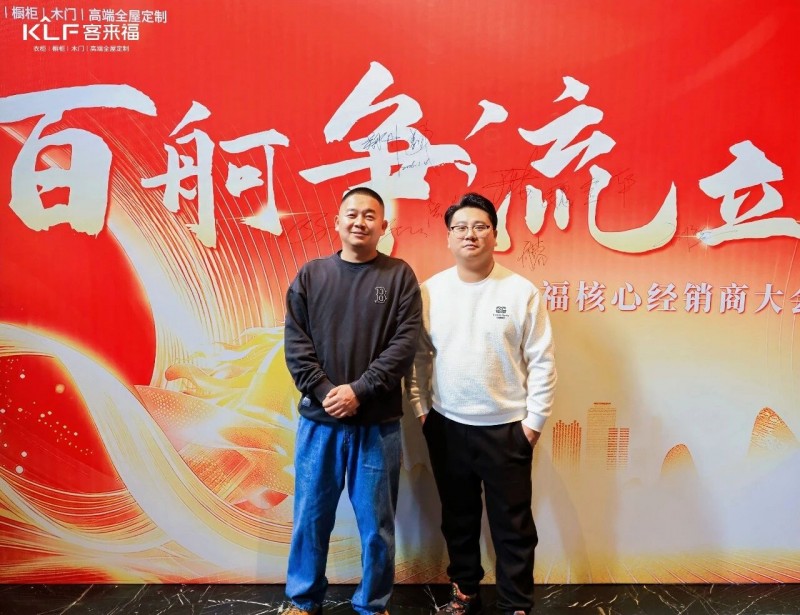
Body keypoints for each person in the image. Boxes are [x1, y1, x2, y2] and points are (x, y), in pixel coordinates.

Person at [406, 192, 556, 615]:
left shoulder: (521, 291)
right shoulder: (430, 291)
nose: (469, 234)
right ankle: (465, 592)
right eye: (460, 227)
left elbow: (542, 360)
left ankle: (515, 604)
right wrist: (422, 411)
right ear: (449, 237)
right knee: (458, 518)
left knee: (514, 526)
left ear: (495, 234)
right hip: (447, 425)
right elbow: (418, 357)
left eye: (479, 226)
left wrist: (533, 423)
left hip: (508, 428)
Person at [282, 187, 422, 615]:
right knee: (310, 518)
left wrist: (359, 390)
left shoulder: (398, 276)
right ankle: (303, 600)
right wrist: (327, 393)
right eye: (352, 214)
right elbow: (296, 345)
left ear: (384, 226)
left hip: (377, 425)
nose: (360, 222)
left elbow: (404, 344)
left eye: (370, 215)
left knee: (377, 526)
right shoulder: (311, 276)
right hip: (319, 423)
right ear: (338, 221)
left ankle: (373, 604)